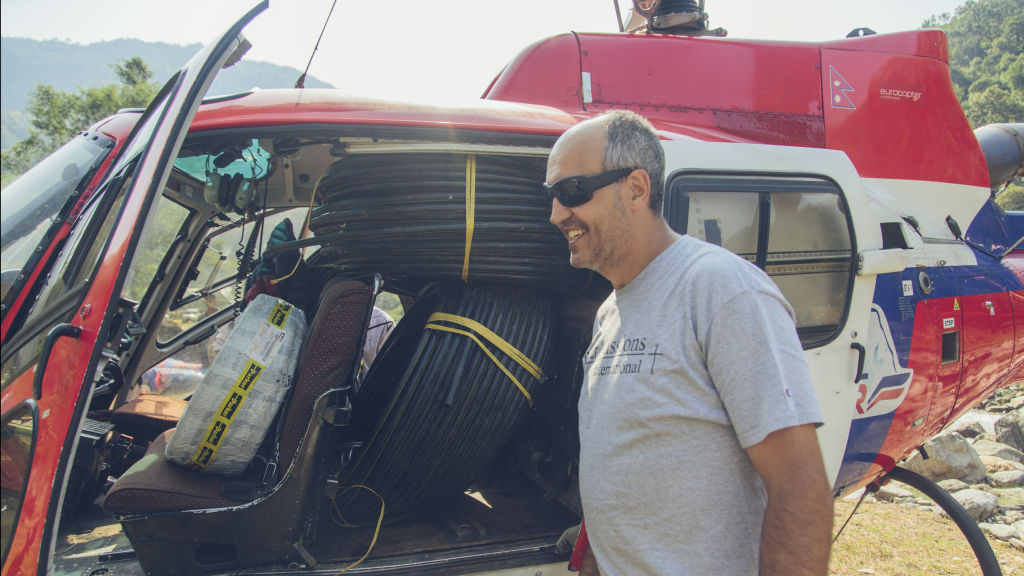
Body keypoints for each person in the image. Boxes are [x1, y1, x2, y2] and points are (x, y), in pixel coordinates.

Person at [546, 110, 833, 576]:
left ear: (636, 188)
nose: (557, 214)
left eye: (573, 190)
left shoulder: (722, 290)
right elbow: (620, 472)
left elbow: (799, 486)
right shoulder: (610, 312)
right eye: (552, 195)